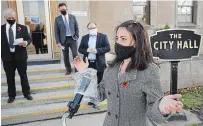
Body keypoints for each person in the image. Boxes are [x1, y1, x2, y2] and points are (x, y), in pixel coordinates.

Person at [73, 20, 183, 126]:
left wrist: (161, 107)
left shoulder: (148, 70)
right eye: (117, 38)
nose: (118, 43)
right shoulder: (111, 69)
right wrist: (85, 72)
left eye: (123, 39)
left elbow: (152, 110)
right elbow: (98, 95)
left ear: (136, 42)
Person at [1, 8, 33, 103]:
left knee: (23, 75)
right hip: (7, 57)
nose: (12, 19)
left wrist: (25, 43)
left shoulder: (22, 28)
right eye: (9, 17)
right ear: (5, 18)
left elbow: (29, 39)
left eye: (13, 17)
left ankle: (26, 93)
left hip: (20, 56)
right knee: (9, 77)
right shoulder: (1, 29)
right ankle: (11, 95)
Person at [54, 3, 79, 75]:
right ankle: (68, 70)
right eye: (61, 10)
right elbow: (56, 31)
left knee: (75, 55)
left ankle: (77, 69)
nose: (62, 10)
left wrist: (76, 36)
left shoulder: (73, 17)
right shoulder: (57, 19)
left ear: (67, 9)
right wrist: (58, 42)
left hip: (72, 39)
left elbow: (76, 28)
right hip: (63, 41)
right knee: (65, 56)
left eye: (64, 9)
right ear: (59, 10)